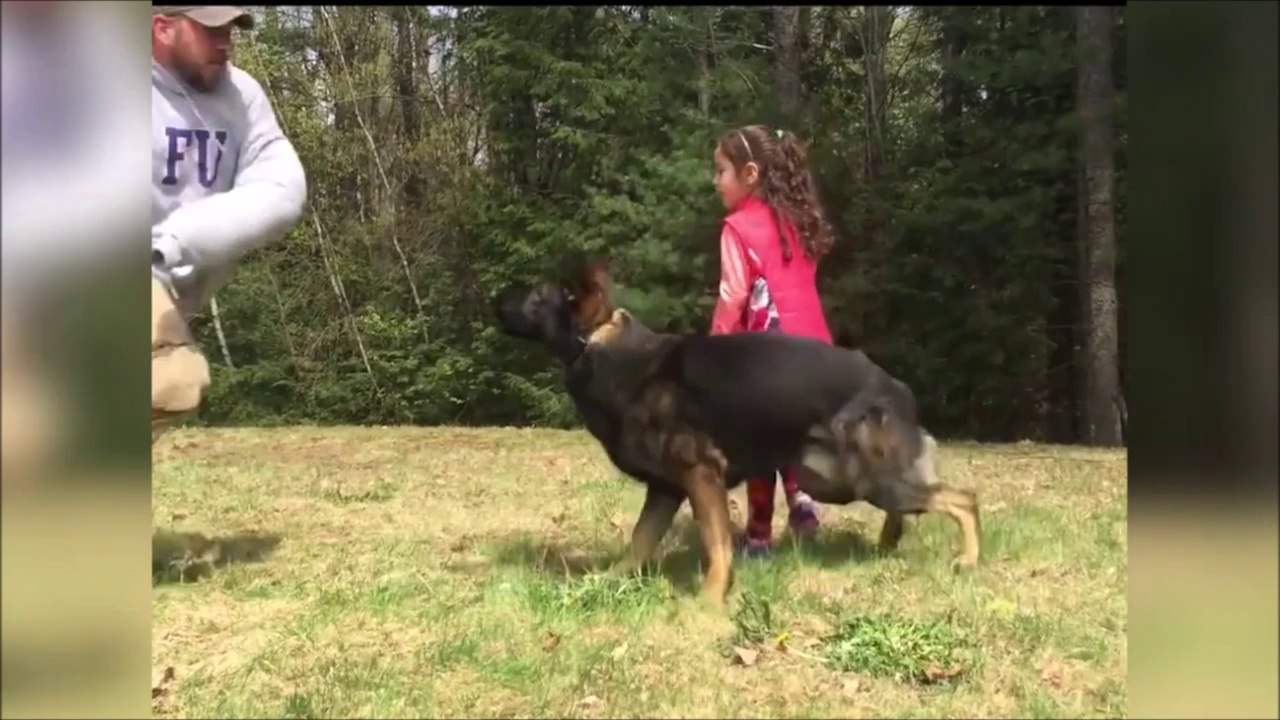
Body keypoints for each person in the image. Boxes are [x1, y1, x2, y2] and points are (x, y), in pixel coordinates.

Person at [150, 5, 307, 439]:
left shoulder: (242, 95)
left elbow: (281, 188)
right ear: (162, 28)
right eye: (210, 30)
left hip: (167, 278)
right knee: (174, 379)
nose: (225, 43)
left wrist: (172, 243)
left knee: (173, 388)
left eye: (230, 30)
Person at [708, 124, 838, 558]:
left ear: (749, 174)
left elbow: (733, 296)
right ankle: (803, 506)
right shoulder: (796, 222)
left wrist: (715, 350)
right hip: (816, 356)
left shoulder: (738, 227)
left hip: (768, 358)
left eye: (720, 171)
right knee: (793, 431)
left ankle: (759, 539)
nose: (715, 182)